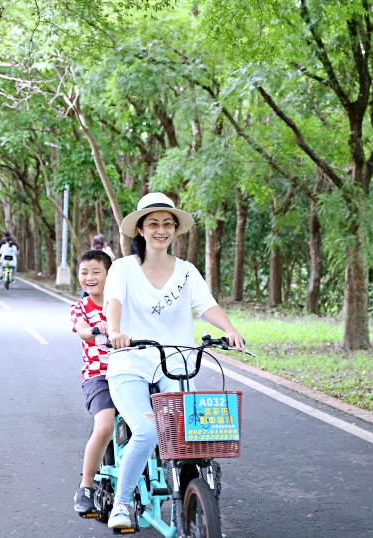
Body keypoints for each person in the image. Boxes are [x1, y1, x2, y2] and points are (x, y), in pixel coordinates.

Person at [103, 192, 246, 530]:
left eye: (168, 224)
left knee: (192, 434)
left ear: (175, 231)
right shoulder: (123, 269)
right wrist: (115, 331)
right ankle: (122, 503)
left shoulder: (186, 272)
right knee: (149, 430)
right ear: (140, 229)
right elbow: (114, 303)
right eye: (153, 223)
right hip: (130, 363)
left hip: (176, 362)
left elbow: (206, 305)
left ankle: (195, 490)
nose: (161, 230)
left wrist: (229, 328)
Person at [70, 250, 115, 515]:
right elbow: (83, 331)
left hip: (131, 371)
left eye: (96, 272)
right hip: (99, 376)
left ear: (109, 275)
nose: (90, 277)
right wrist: (98, 329)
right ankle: (86, 486)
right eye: (84, 272)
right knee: (105, 425)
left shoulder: (121, 302)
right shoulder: (81, 307)